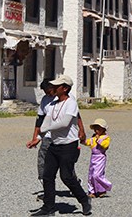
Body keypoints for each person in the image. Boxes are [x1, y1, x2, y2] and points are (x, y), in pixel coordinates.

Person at [31, 75, 91, 216]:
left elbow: (64, 123)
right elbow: (45, 121)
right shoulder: (52, 104)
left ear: (65, 88)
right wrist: (38, 137)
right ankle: (48, 208)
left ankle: (84, 200)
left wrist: (46, 129)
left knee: (67, 177)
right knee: (48, 176)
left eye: (56, 86)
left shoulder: (71, 103)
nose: (53, 88)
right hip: (54, 145)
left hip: (68, 146)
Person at [26, 79, 56, 192]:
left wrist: (80, 131)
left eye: (49, 91)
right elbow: (40, 120)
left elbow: (76, 117)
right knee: (42, 160)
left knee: (64, 163)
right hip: (47, 136)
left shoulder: (64, 99)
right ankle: (46, 188)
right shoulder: (45, 100)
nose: (48, 94)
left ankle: (74, 182)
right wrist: (35, 138)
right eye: (45, 92)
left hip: (62, 137)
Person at [84, 118, 112, 198]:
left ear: (103, 129)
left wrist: (98, 140)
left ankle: (103, 188)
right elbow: (88, 142)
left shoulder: (105, 138)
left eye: (98, 128)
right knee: (91, 175)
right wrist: (83, 140)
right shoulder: (93, 138)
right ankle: (92, 191)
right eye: (95, 128)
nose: (96, 130)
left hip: (100, 157)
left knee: (97, 174)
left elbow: (105, 145)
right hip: (93, 157)